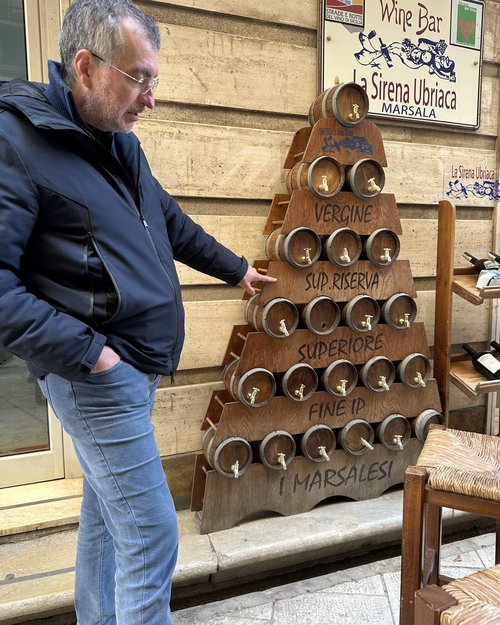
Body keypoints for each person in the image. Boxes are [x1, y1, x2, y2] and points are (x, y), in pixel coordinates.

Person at [0, 1, 276, 623]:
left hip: (130, 369)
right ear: (86, 67)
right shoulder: (16, 142)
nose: (150, 98)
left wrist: (235, 268)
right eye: (139, 78)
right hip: (95, 376)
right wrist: (89, 354)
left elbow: (167, 221)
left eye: (155, 78)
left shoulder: (115, 141)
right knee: (151, 535)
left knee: (106, 526)